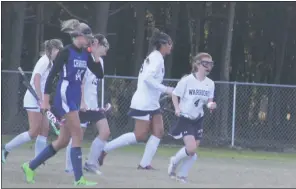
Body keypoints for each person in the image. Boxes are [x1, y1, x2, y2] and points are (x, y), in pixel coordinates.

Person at [21, 19, 104, 186]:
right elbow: (51, 76)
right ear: (79, 36)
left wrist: (94, 53)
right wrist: (45, 100)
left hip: (73, 97)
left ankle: (30, 166)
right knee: (78, 134)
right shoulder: (66, 52)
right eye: (87, 37)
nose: (89, 40)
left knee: (63, 141)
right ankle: (79, 179)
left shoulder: (86, 53)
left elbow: (99, 74)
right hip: (64, 96)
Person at [98, 29, 174, 170]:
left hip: (152, 103)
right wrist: (166, 89)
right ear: (163, 44)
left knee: (159, 131)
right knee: (139, 135)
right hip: (144, 102)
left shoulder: (158, 58)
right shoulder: (156, 57)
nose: (171, 46)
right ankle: (105, 149)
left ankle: (144, 164)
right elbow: (147, 79)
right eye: (169, 43)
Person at [2, 39, 63, 163]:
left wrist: (45, 101)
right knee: (34, 131)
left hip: (40, 99)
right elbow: (36, 79)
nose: (60, 53)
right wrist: (41, 99)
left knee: (44, 130)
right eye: (58, 50)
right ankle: (5, 148)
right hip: (33, 99)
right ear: (52, 49)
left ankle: (38, 159)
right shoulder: (44, 61)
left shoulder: (50, 62)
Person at [64, 34, 110, 175]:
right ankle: (69, 167)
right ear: (96, 44)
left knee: (105, 132)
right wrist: (82, 102)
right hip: (82, 104)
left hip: (93, 105)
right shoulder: (84, 59)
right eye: (104, 47)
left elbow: (96, 85)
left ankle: (91, 163)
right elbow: (81, 83)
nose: (106, 50)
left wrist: (99, 104)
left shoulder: (100, 62)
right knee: (78, 135)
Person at [168, 52, 217, 183]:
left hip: (198, 119)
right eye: (205, 63)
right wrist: (177, 108)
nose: (208, 66)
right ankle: (174, 163)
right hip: (186, 118)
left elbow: (209, 101)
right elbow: (174, 94)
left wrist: (211, 105)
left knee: (192, 152)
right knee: (191, 148)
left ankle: (181, 174)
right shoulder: (187, 80)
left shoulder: (210, 83)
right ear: (197, 64)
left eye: (210, 64)